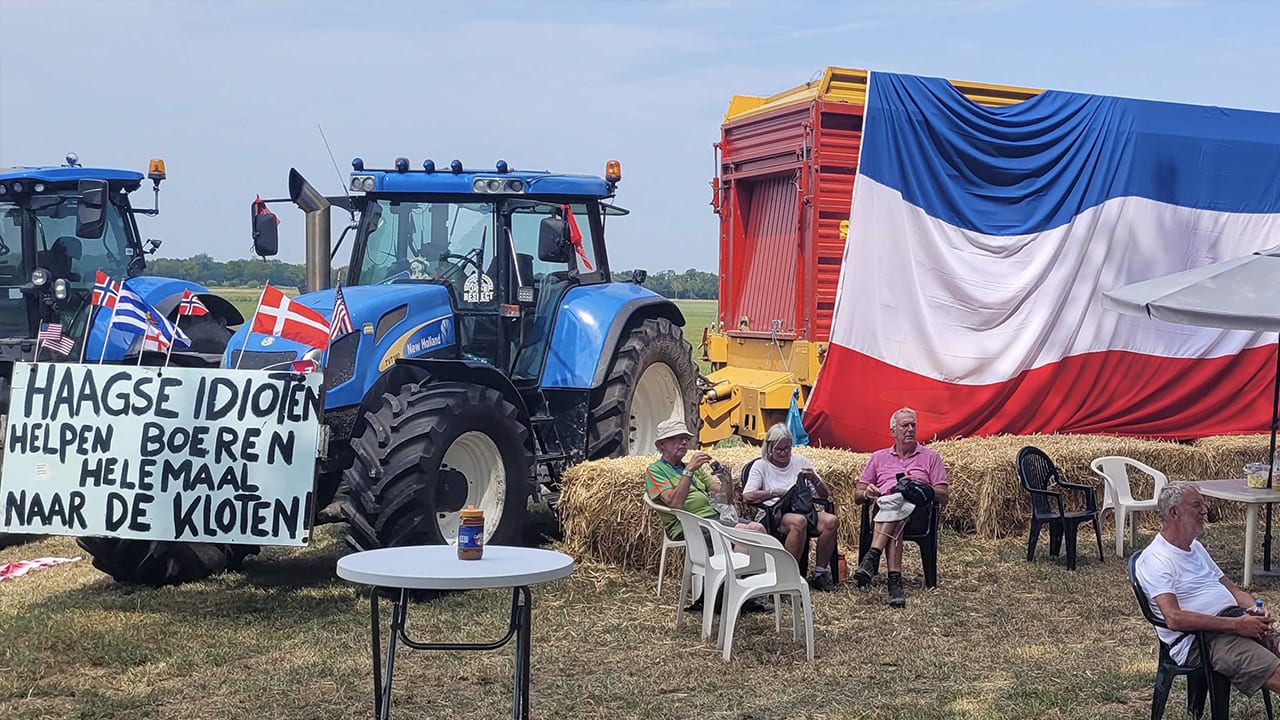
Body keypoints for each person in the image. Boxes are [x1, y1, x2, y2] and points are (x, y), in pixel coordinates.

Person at [1135, 484, 1280, 696]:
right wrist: (1236, 625)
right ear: (1174, 512)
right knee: (1276, 672)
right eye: (1196, 505)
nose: (1204, 511)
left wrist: (1254, 609)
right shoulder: (1155, 559)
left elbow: (1232, 590)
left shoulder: (1196, 548)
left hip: (1235, 621)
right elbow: (1174, 618)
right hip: (1202, 640)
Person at [644, 418, 770, 613]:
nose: (683, 442)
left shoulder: (695, 469)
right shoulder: (655, 471)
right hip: (688, 525)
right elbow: (675, 503)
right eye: (677, 438)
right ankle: (730, 597)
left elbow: (726, 499)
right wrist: (688, 472)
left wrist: (726, 480)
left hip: (712, 519)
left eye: (685, 439)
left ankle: (747, 591)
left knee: (758, 528)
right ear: (662, 445)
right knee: (745, 533)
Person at [853, 407, 950, 608]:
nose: (910, 429)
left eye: (913, 425)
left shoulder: (931, 457)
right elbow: (858, 495)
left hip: (917, 515)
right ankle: (894, 582)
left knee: (901, 498)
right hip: (885, 510)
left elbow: (943, 496)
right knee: (896, 506)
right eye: (905, 425)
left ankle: (873, 556)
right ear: (893, 431)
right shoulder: (878, 457)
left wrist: (920, 486)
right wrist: (868, 492)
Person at [742, 423, 840, 591]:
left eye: (787, 448)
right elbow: (747, 495)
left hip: (803, 509)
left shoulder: (801, 462)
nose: (783, 453)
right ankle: (787, 577)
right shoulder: (761, 465)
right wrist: (773, 493)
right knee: (798, 522)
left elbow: (824, 495)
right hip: (774, 513)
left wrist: (815, 479)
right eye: (779, 449)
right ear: (769, 447)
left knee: (831, 521)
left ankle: (820, 573)